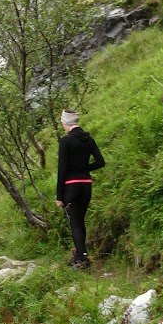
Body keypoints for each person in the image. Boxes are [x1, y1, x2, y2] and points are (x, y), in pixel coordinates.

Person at [56, 109, 105, 269]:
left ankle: (82, 259)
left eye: (62, 123)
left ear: (66, 123)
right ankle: (80, 253)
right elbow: (100, 162)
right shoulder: (88, 139)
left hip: (71, 186)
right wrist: (84, 168)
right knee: (80, 221)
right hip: (86, 184)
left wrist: (59, 196)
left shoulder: (65, 141)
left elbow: (62, 169)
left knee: (75, 223)